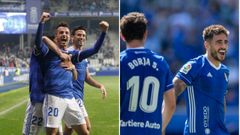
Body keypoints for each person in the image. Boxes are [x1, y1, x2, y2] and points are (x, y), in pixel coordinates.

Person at [35, 12, 108, 135]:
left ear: (69, 37)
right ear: (56, 36)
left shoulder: (72, 56)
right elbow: (40, 40)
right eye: (61, 33)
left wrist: (104, 32)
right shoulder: (47, 52)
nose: (64, 35)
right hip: (54, 97)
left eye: (67, 33)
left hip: (70, 99)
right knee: (53, 133)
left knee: (85, 132)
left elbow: (94, 50)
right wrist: (41, 22)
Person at [120, 12, 175, 135]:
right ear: (145, 34)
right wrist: (160, 128)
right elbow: (170, 104)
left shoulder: (120, 62)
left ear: (122, 36)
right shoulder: (161, 62)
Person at [173, 24, 230, 135]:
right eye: (219, 42)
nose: (223, 46)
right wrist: (160, 120)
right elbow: (173, 90)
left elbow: (222, 100)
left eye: (226, 42)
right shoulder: (195, 65)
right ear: (207, 45)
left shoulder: (225, 71)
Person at [63, 26, 107, 135]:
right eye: (78, 35)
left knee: (68, 130)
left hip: (78, 96)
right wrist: (104, 32)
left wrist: (100, 86)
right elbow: (95, 49)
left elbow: (86, 77)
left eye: (83, 35)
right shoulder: (70, 53)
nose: (81, 37)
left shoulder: (83, 57)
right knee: (86, 128)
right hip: (72, 96)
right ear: (72, 37)